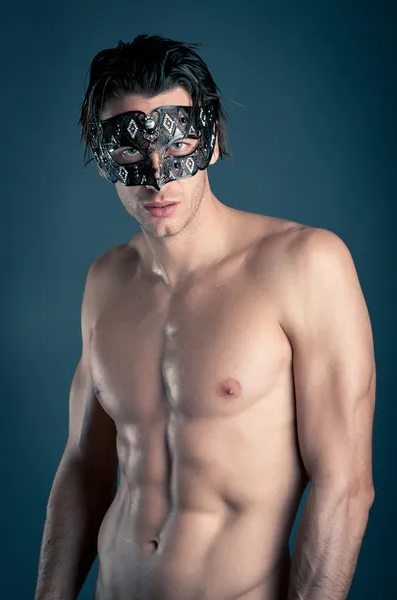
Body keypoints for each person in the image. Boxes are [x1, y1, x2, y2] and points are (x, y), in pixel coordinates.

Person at [35, 34, 376, 600]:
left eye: (179, 146)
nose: (158, 176)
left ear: (212, 142)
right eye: (129, 155)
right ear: (101, 159)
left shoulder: (306, 264)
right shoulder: (107, 281)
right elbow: (82, 471)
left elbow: (345, 488)